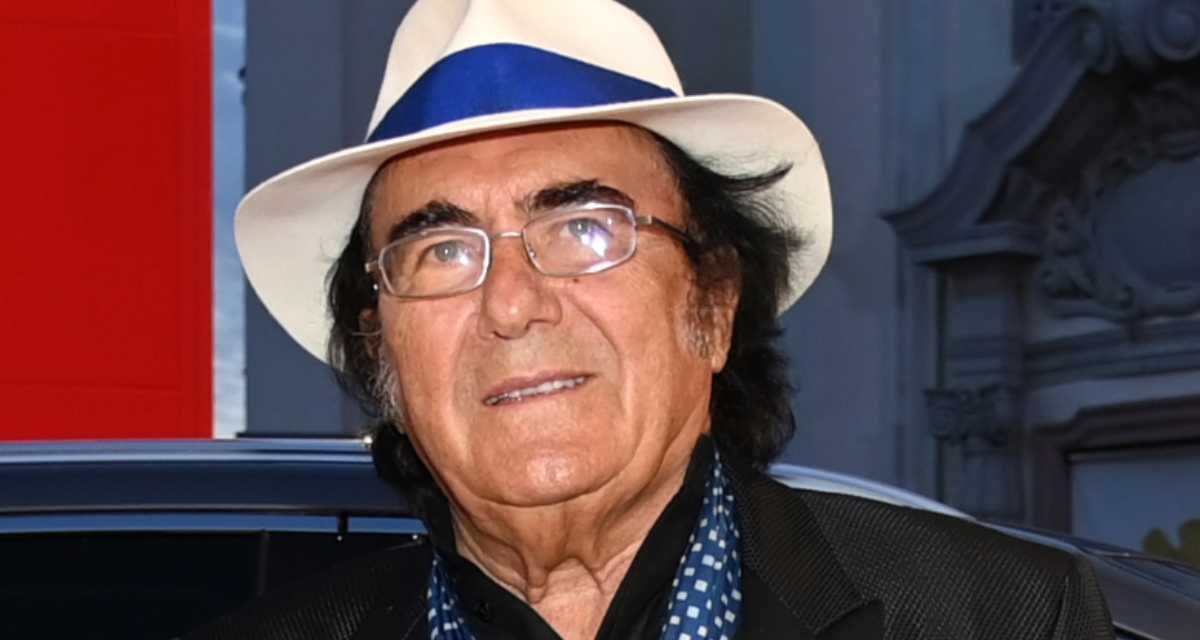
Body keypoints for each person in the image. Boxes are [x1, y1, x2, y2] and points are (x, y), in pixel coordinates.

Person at [193, 1, 1114, 638]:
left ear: (713, 302)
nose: (511, 304)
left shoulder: (1000, 618)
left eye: (585, 229)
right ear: (380, 352)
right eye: (442, 252)